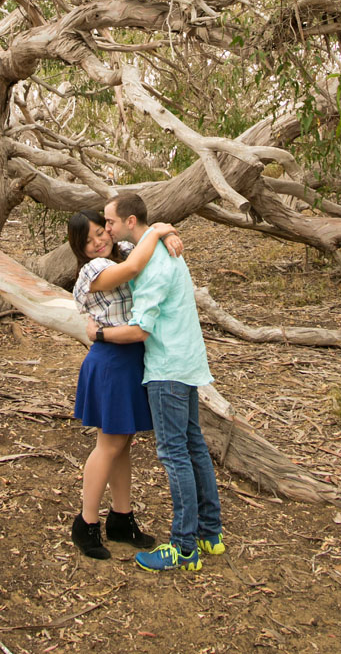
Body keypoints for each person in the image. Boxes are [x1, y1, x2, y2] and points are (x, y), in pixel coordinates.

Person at [86, 193, 224, 573]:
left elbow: (141, 330)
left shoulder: (148, 268)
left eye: (110, 223)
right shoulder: (156, 248)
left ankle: (183, 546)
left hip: (166, 367)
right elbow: (138, 246)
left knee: (174, 453)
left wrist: (99, 335)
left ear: (130, 221)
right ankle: (210, 533)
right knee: (193, 444)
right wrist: (163, 230)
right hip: (188, 359)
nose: (107, 229)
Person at [68, 209, 182, 560]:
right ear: (80, 249)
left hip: (132, 357)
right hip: (111, 361)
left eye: (100, 232)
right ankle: (86, 524)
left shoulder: (122, 248)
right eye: (87, 241)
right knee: (109, 444)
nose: (97, 242)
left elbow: (145, 238)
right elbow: (132, 271)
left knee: (123, 443)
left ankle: (121, 517)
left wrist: (166, 231)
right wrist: (160, 232)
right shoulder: (93, 270)